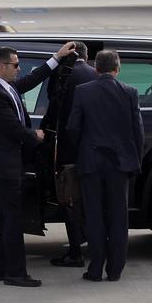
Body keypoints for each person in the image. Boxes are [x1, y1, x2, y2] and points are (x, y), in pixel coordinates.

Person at [0, 41, 77, 287]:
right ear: (1, 66)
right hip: (4, 166)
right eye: (15, 65)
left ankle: (0, 269)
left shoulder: (6, 86)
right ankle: (16, 273)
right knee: (13, 220)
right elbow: (11, 128)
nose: (19, 69)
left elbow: (32, 80)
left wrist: (56, 58)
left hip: (6, 164)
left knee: (5, 219)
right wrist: (35, 135)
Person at [67, 49, 144, 282]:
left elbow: (73, 127)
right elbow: (137, 131)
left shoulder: (83, 92)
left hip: (91, 162)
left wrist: (80, 152)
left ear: (96, 68)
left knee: (94, 216)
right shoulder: (130, 92)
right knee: (119, 217)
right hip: (119, 164)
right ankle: (115, 269)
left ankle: (95, 268)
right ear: (117, 69)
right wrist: (134, 161)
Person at [50, 42, 98, 269]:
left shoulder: (62, 73)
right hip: (93, 150)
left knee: (70, 199)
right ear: (86, 57)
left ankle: (75, 250)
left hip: (68, 149)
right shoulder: (95, 74)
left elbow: (53, 104)